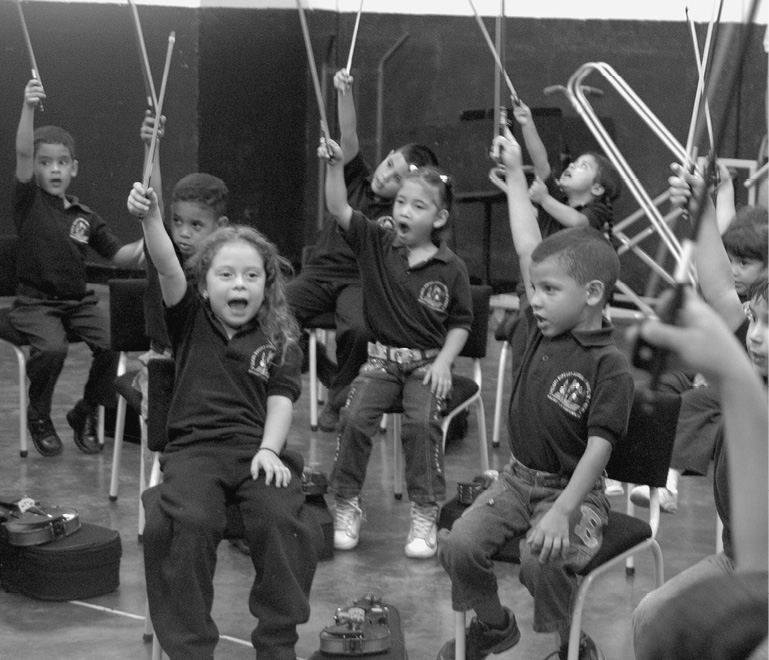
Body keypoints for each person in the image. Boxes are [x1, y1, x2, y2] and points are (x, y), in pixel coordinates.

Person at [437, 126, 633, 660]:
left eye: (550, 290)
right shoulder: (534, 323)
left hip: (576, 493)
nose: (535, 298)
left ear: (591, 295)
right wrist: (519, 176)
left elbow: (600, 447)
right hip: (517, 481)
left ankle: (570, 641)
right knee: (457, 545)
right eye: (534, 288)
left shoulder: (607, 363)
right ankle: (495, 625)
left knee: (538, 560)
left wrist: (564, 510)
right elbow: (531, 246)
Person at [128, 181, 320, 660]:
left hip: (257, 450)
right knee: (186, 522)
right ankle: (191, 649)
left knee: (285, 520)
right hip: (193, 452)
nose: (239, 285)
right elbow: (168, 264)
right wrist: (151, 219)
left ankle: (277, 643)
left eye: (251, 276)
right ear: (204, 283)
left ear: (267, 284)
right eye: (227, 275)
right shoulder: (189, 317)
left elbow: (281, 400)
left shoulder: (278, 336)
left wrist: (269, 451)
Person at [632, 164, 768, 660]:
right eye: (756, 319)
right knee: (651, 613)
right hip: (742, 561)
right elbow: (717, 288)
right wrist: (704, 210)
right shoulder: (751, 377)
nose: (755, 334)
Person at [320, 135, 472, 559]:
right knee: (352, 418)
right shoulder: (376, 242)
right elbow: (337, 207)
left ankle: (425, 511)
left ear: (439, 219)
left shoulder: (451, 267)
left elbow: (461, 322)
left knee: (422, 426)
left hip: (426, 366)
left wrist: (444, 361)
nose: (404, 211)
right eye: (401, 202)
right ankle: (347, 502)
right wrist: (334, 166)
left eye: (418, 206)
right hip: (380, 362)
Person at [287, 68, 439, 432]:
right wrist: (345, 93)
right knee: (276, 311)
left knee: (357, 329)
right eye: (389, 165)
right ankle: (304, 370)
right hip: (319, 273)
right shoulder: (356, 175)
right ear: (385, 156)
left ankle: (338, 400)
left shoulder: (402, 214)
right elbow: (349, 135)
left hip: (358, 281)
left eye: (399, 179)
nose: (386, 177)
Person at [10, 78, 144, 457]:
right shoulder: (29, 202)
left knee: (114, 344)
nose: (54, 169)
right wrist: (28, 107)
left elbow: (121, 257)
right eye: (45, 162)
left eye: (62, 163)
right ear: (34, 168)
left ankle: (85, 410)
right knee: (52, 350)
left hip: (78, 303)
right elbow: (21, 152)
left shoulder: (86, 216)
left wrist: (151, 235)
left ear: (74, 169)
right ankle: (39, 416)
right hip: (36, 305)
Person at [630, 203, 767, 513]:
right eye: (731, 260)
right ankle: (644, 467)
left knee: (697, 401)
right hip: (721, 381)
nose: (734, 269)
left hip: (738, 397)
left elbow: (720, 292)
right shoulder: (748, 307)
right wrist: (703, 208)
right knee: (661, 387)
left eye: (744, 262)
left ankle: (668, 479)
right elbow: (719, 287)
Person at [133, 110, 229, 421]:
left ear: (220, 226)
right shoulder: (165, 252)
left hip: (209, 364)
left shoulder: (227, 263)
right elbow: (153, 198)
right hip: (163, 363)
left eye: (196, 225)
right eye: (177, 222)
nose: (183, 232)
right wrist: (153, 146)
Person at [510, 103, 621, 240]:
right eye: (574, 163)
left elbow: (578, 222)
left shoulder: (598, 210)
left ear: (597, 188)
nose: (572, 166)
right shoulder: (555, 195)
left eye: (584, 166)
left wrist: (544, 199)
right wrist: (527, 124)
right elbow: (540, 161)